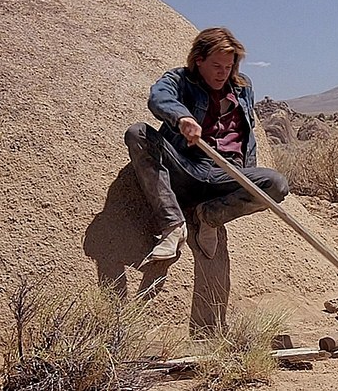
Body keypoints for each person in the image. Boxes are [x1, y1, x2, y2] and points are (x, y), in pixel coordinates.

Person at [124, 27, 289, 333]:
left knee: (276, 185)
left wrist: (242, 171)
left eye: (229, 66)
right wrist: (183, 117)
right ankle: (173, 225)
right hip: (185, 167)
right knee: (138, 133)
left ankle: (208, 217)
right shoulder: (180, 79)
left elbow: (246, 133)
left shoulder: (243, 87)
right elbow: (159, 97)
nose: (223, 73)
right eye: (216, 65)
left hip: (227, 175)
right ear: (198, 60)